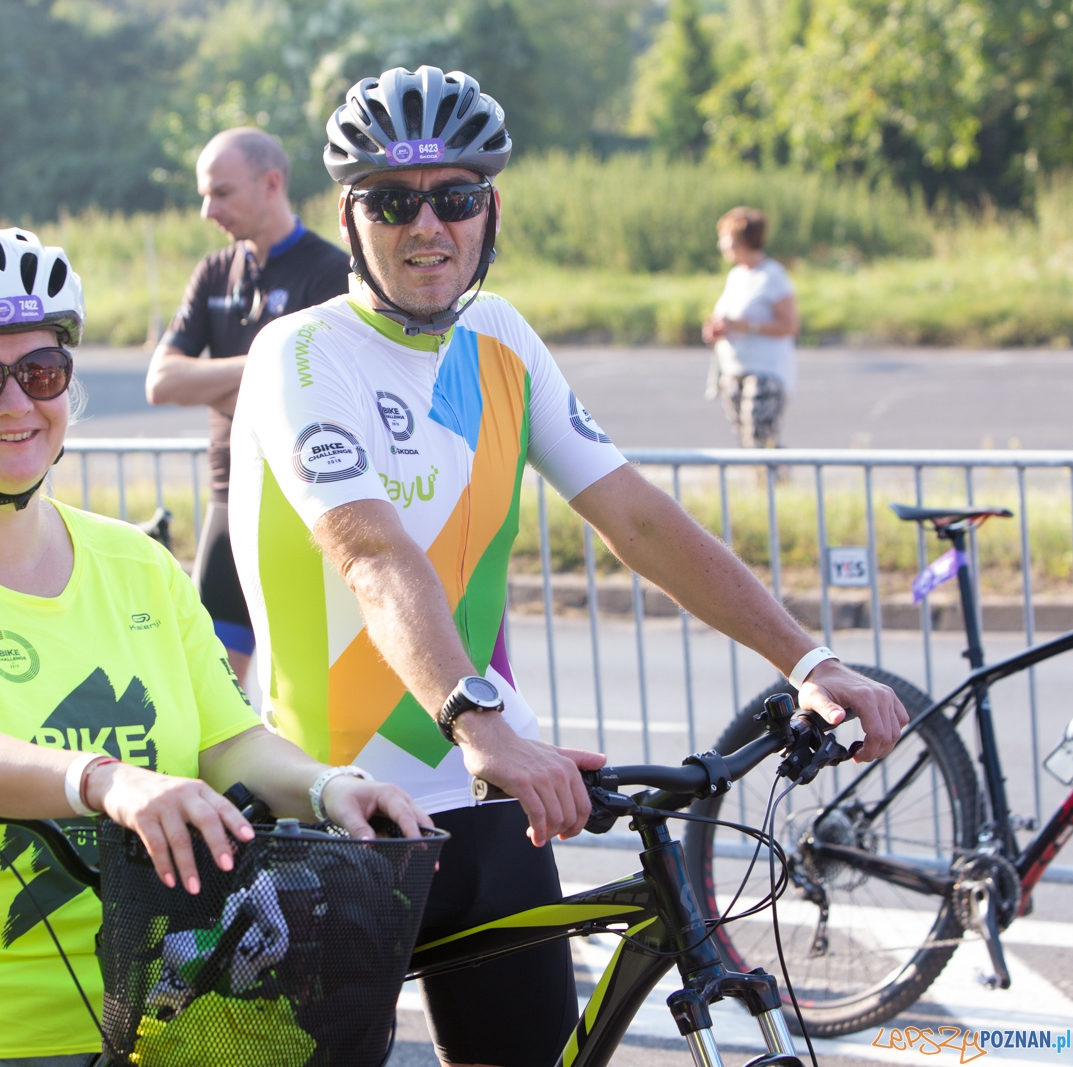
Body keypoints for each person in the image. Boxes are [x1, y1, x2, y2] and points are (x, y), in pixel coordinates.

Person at [229, 66, 907, 1067]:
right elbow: (370, 550)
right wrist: (482, 721)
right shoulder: (299, 352)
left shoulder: (498, 337)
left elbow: (634, 513)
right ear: (349, 212)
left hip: (496, 818)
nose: (428, 228)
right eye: (392, 201)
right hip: (334, 818)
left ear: (487, 209)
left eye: (454, 199)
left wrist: (809, 662)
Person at [0, 223, 425, 1066]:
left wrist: (329, 786)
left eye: (40, 372)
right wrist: (103, 782)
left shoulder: (136, 563)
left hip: (115, 1026)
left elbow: (229, 741)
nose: (14, 403)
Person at [145, 127, 350, 683]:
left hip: (312, 500)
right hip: (230, 496)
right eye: (203, 195)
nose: (209, 210)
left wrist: (211, 379)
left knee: (309, 685)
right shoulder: (214, 271)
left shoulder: (332, 273)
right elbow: (162, 382)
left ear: (272, 183)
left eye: (222, 192)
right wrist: (273, 366)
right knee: (208, 685)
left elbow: (334, 387)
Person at [702, 206, 800, 448]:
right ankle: (764, 482)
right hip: (733, 371)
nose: (721, 245)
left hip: (765, 371)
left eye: (725, 238)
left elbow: (789, 325)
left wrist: (744, 326)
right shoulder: (736, 276)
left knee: (760, 436)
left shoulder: (771, 276)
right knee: (746, 440)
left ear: (740, 240)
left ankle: (777, 481)